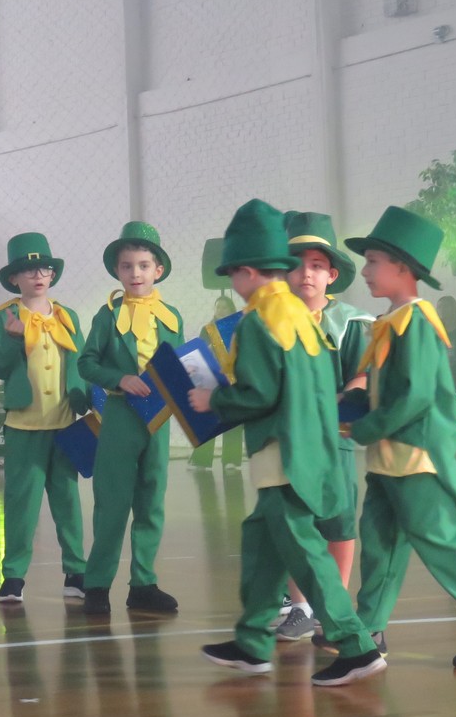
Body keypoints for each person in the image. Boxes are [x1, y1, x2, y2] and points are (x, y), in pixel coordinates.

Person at [189, 199, 385, 686]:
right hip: (311, 455)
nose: (233, 284)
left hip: (283, 459)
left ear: (248, 271)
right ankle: (252, 642)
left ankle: (357, 648)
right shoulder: (299, 317)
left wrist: (213, 399)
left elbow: (259, 394)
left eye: (233, 274)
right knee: (261, 545)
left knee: (309, 558)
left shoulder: (259, 322)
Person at [343, 206, 456, 669]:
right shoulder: (392, 320)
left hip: (416, 459)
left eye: (373, 261)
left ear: (403, 268)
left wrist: (365, 426)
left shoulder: (417, 322)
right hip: (387, 459)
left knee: (441, 544)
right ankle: (369, 628)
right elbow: (387, 387)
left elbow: (416, 397)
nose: (366, 270)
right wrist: (357, 401)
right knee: (379, 545)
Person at [272, 211, 374, 642]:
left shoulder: (351, 324)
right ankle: (300, 606)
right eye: (296, 265)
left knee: (339, 523)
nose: (306, 274)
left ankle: (334, 604)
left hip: (335, 440)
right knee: (297, 524)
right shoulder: (269, 323)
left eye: (316, 265)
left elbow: (362, 376)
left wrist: (336, 402)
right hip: (288, 441)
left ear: (332, 275)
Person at [77, 220, 183, 616]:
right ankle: (97, 584)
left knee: (152, 500)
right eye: (127, 266)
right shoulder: (108, 317)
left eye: (143, 265)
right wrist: (119, 378)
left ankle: (143, 584)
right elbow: (86, 363)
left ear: (158, 269)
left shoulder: (171, 317)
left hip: (159, 418)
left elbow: (177, 366)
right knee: (112, 502)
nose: (135, 273)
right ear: (117, 271)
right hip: (121, 415)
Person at [0, 232, 89, 603]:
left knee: (68, 501)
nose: (38, 275)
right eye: (28, 270)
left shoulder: (67, 316)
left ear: (52, 274)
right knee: (22, 503)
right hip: (24, 425)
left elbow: (81, 363)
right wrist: (14, 340)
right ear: (15, 278)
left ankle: (76, 571)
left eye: (44, 268)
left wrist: (87, 401)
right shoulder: (7, 318)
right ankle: (13, 575)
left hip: (65, 423)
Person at [187, 294, 244, 474]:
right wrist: (211, 348)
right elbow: (199, 352)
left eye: (224, 307)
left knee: (233, 419)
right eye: (218, 307)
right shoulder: (207, 330)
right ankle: (202, 460)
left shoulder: (240, 327)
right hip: (211, 378)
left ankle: (231, 461)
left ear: (231, 310)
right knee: (209, 419)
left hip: (234, 379)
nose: (220, 310)